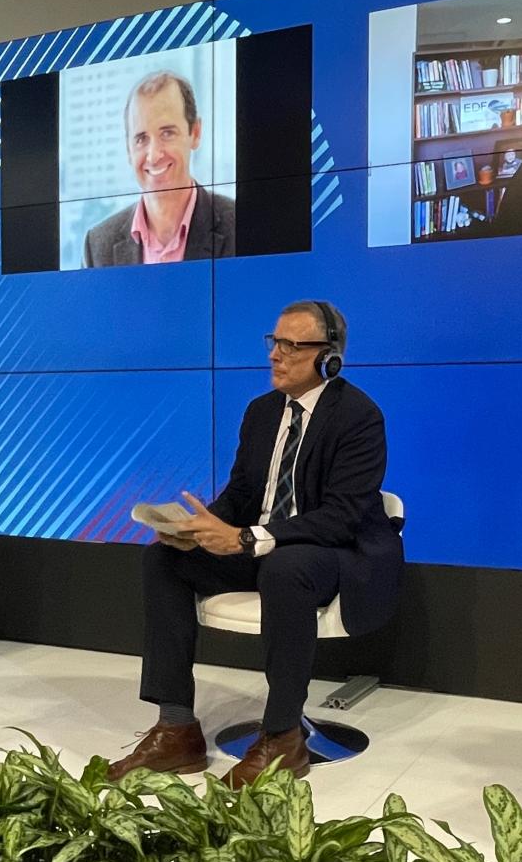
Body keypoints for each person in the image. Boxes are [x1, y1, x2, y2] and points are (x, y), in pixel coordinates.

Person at [109, 300, 403, 787]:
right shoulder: (261, 412)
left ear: (328, 356)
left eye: (292, 345)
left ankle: (284, 736)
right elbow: (244, 494)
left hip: (334, 552)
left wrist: (248, 537)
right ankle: (177, 726)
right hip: (263, 546)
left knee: (284, 569)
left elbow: (340, 517)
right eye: (275, 342)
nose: (276, 355)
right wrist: (201, 529)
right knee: (164, 559)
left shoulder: (359, 416)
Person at [84, 70, 236, 266]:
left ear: (195, 133)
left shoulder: (241, 227)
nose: (154, 156)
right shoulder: (97, 246)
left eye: (167, 133)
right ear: (128, 149)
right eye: (141, 139)